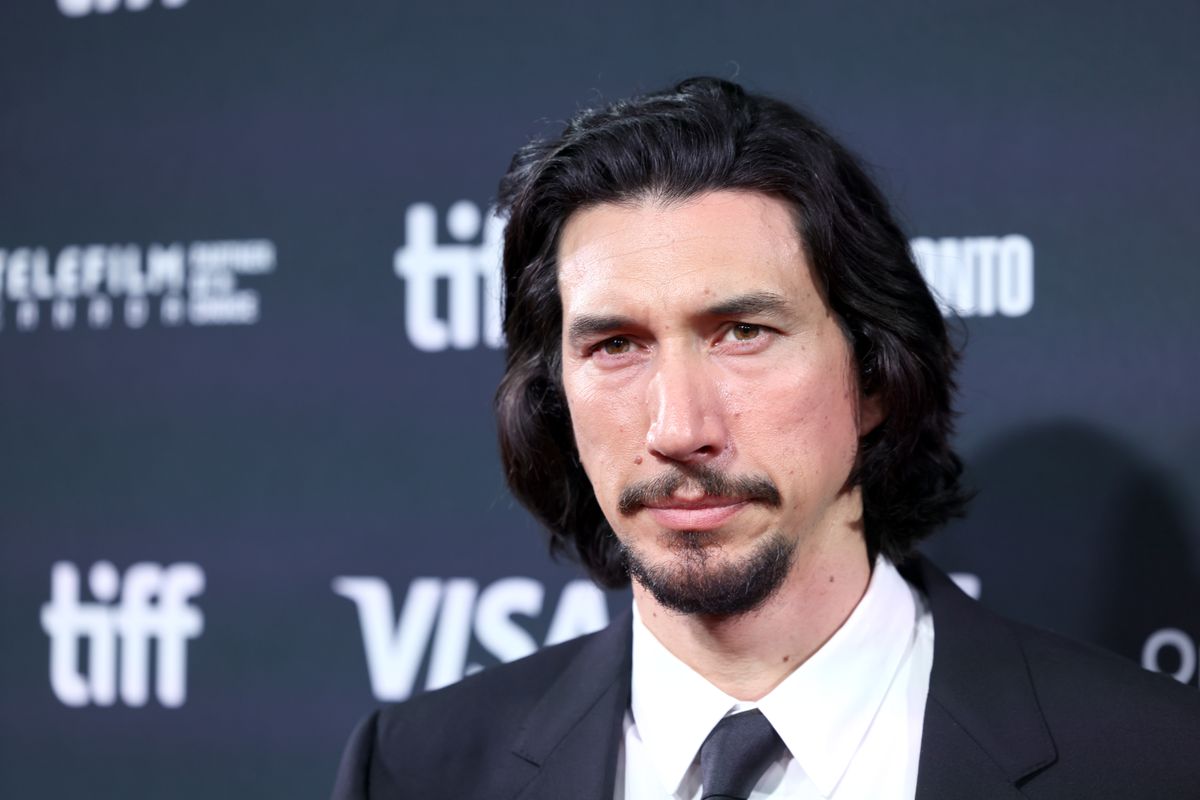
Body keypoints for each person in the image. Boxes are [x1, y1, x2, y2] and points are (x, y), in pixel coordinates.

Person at [332, 77, 1200, 799]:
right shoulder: (416, 770)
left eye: (741, 333)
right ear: (554, 396)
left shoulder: (1152, 763)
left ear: (873, 375)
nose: (679, 429)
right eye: (615, 346)